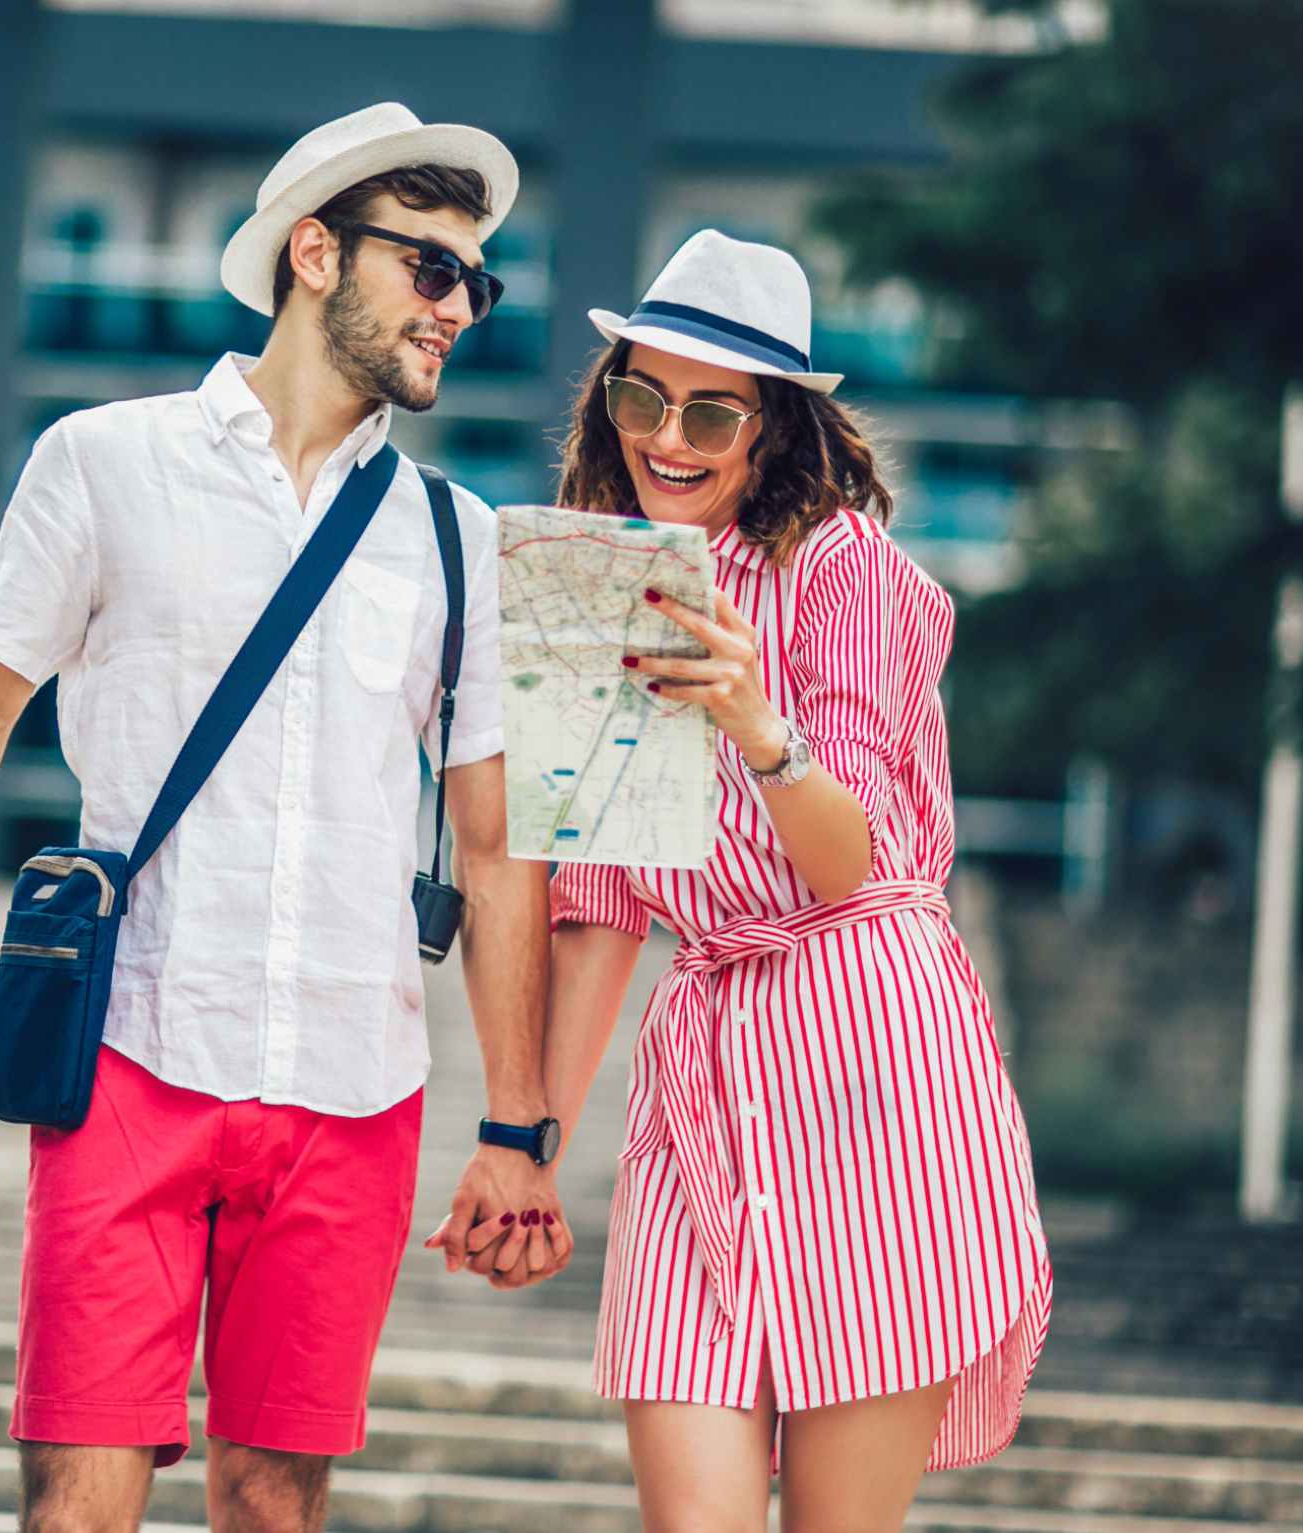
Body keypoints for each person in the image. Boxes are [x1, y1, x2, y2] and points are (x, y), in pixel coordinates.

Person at [0, 103, 569, 1533]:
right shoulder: (103, 463)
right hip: (132, 1053)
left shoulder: (460, 540)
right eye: (433, 268)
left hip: (352, 1081)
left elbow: (491, 847)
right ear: (314, 251)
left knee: (273, 1503)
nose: (460, 308)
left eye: (480, 280)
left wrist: (516, 1122)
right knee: (77, 1505)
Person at [535, 230, 1053, 1532]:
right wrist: (524, 1145)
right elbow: (597, 907)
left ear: (779, 427)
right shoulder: (600, 581)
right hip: (700, 1073)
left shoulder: (850, 572)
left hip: (868, 1071)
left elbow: (853, 854)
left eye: (712, 409)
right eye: (641, 394)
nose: (668, 434)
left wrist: (752, 723)